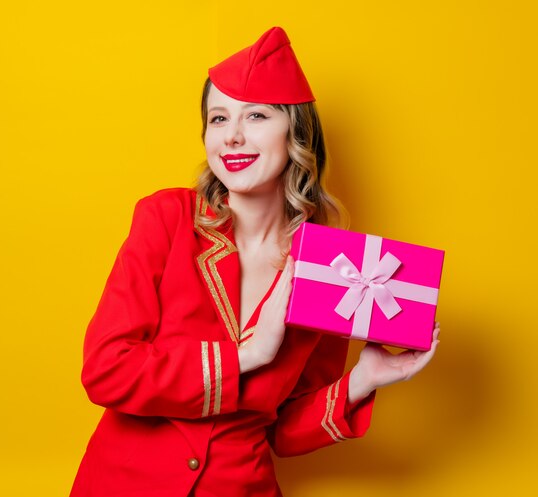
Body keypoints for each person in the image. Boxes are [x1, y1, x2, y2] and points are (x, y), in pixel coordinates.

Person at [69, 27, 440, 497]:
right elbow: (106, 369)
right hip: (123, 484)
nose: (233, 137)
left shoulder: (336, 268)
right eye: (218, 119)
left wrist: (364, 379)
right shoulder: (167, 218)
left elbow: (282, 430)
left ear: (296, 133)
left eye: (257, 116)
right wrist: (246, 356)